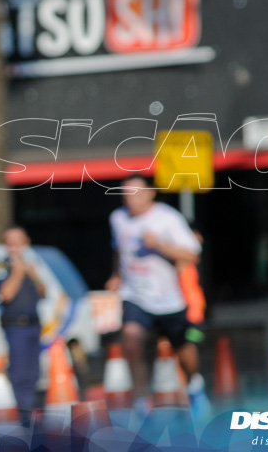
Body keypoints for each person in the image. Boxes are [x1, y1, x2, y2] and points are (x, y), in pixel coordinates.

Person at [105, 175, 207, 414]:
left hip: (168, 298)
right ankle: (141, 399)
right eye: (126, 194)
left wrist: (159, 244)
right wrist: (116, 275)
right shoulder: (118, 218)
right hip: (135, 295)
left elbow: (193, 255)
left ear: (150, 192)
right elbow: (118, 249)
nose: (130, 199)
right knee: (131, 339)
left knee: (184, 348)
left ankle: (194, 384)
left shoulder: (168, 218)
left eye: (136, 193)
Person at [0, 227, 45, 413]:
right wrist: (18, 272)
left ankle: (31, 406)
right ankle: (22, 409)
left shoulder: (33, 264)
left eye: (18, 243)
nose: (15, 248)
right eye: (10, 244)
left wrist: (32, 273)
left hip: (33, 322)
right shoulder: (1, 267)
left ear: (26, 243)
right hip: (15, 324)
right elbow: (6, 294)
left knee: (33, 370)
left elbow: (43, 291)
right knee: (19, 370)